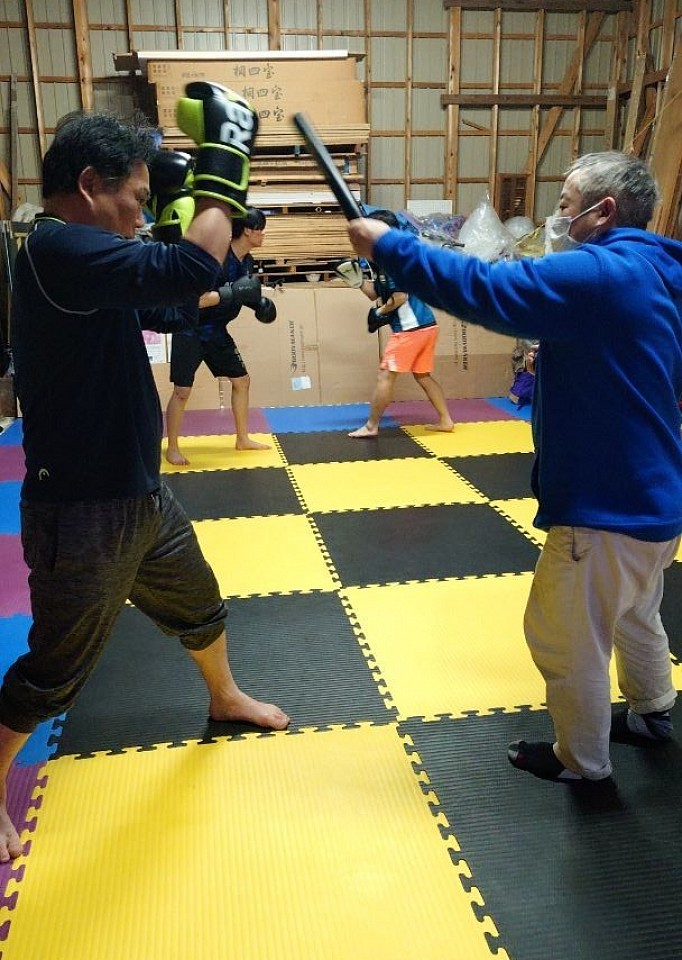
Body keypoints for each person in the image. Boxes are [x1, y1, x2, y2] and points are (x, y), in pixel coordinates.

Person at [2, 83, 289, 862]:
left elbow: (170, 305)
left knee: (199, 604)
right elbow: (185, 265)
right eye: (132, 198)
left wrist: (210, 268)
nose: (137, 213)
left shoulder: (87, 262)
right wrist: (226, 159)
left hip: (140, 493)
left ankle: (224, 696)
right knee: (57, 667)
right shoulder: (58, 250)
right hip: (83, 510)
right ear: (88, 187)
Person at [347, 151, 682, 785]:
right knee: (636, 609)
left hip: (605, 504)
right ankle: (652, 709)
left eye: (567, 204)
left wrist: (393, 248)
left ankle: (582, 762)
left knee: (564, 635)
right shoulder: (661, 270)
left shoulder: (599, 272)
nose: (558, 215)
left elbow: (490, 292)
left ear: (604, 211)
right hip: (658, 493)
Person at [165, 207, 274, 465]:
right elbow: (197, 300)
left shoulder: (247, 261)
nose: (264, 234)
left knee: (242, 381)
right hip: (190, 329)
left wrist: (257, 304)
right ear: (247, 230)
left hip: (216, 331)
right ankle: (172, 448)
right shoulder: (216, 259)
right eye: (261, 229)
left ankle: (242, 438)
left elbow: (241, 292)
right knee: (182, 391)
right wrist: (232, 293)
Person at [335, 209, 454, 438]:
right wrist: (357, 281)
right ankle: (446, 420)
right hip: (426, 326)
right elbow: (374, 293)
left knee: (385, 376)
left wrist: (379, 312)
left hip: (411, 329)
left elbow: (400, 297)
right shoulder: (385, 261)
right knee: (422, 375)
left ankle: (371, 426)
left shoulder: (393, 261)